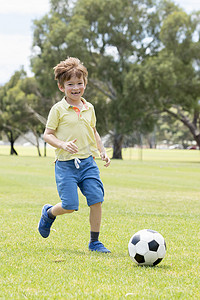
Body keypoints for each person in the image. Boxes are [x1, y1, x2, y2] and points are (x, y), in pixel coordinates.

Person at [38, 57, 111, 253]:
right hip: (65, 165)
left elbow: (93, 131)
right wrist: (62, 144)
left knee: (96, 199)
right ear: (62, 87)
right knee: (70, 205)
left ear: (85, 84)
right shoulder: (58, 109)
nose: (76, 87)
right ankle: (49, 213)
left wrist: (102, 151)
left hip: (88, 162)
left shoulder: (90, 108)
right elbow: (47, 134)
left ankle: (94, 242)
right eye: (70, 84)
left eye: (80, 83)